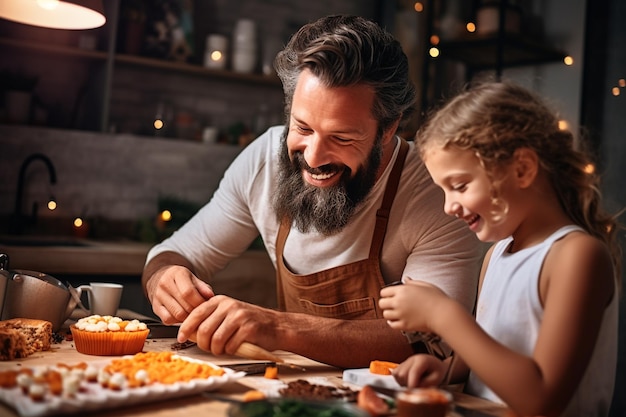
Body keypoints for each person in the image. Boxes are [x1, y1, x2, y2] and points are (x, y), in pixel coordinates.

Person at [142, 15, 482, 368]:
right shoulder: (264, 160)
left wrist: (277, 327)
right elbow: (174, 253)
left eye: (341, 138)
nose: (314, 157)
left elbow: (435, 342)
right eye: (302, 127)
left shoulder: (439, 196)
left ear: (387, 129)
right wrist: (164, 279)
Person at [379, 81, 622, 416]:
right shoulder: (497, 254)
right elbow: (490, 350)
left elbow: (541, 400)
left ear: (522, 169)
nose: (449, 206)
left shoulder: (577, 256)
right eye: (443, 191)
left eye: (460, 186)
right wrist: (448, 370)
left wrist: (442, 316)